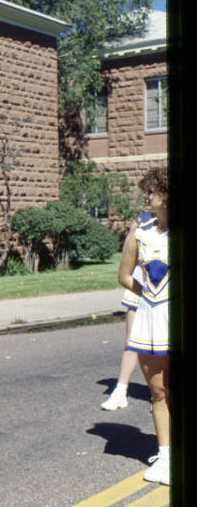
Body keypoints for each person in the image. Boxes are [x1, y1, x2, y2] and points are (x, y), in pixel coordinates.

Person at [118, 168, 169, 485]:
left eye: (151, 191)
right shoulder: (141, 231)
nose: (146, 197)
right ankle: (165, 455)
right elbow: (124, 275)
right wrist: (148, 295)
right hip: (151, 319)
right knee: (158, 391)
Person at [101, 210, 155, 410]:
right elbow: (127, 252)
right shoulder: (143, 218)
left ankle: (161, 392)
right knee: (132, 340)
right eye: (147, 192)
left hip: (164, 287)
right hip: (140, 283)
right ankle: (120, 391)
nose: (148, 196)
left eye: (152, 192)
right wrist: (136, 227)